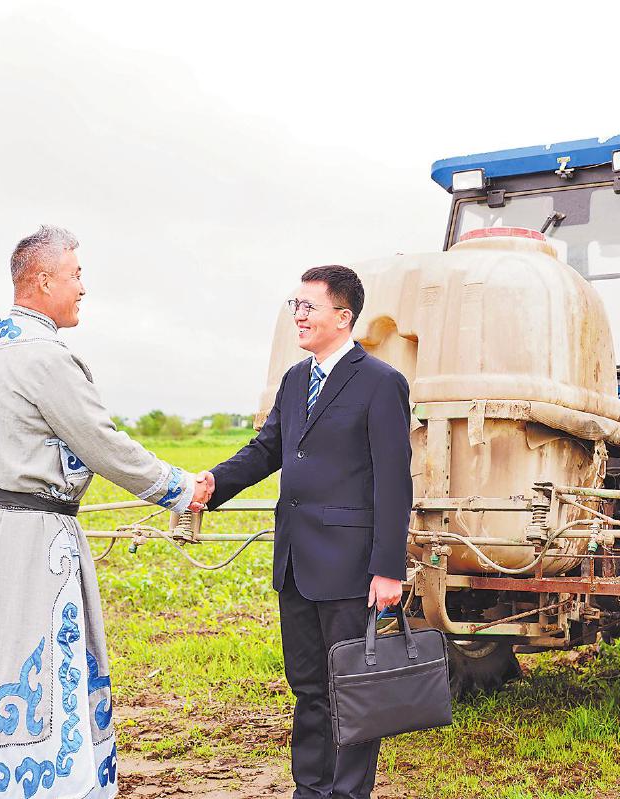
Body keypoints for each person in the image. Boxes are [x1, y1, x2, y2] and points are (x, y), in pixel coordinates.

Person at [0, 225, 207, 799]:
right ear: (44, 280)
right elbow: (100, 442)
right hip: (31, 541)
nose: (83, 287)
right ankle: (46, 784)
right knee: (40, 662)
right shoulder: (44, 357)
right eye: (76, 274)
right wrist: (179, 487)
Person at [195, 265, 413, 799]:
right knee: (309, 687)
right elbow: (267, 449)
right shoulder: (295, 380)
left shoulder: (381, 382)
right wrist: (214, 483)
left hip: (351, 564)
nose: (298, 314)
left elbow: (393, 480)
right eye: (295, 304)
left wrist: (388, 568)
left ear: (343, 316)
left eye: (308, 306)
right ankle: (310, 789)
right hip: (296, 561)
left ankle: (348, 792)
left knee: (351, 688)